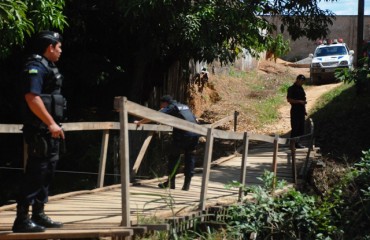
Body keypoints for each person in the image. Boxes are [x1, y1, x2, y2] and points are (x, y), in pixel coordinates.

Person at [12, 31, 66, 233]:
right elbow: (32, 98)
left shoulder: (49, 67)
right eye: (59, 47)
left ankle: (38, 214)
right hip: (40, 130)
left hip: (49, 131)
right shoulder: (34, 67)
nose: (60, 51)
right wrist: (51, 123)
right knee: (36, 172)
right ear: (50, 47)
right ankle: (21, 219)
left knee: (47, 172)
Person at [134, 95, 199, 191]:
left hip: (183, 134)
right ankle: (186, 185)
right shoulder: (184, 106)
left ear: (165, 102)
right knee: (190, 158)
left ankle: (170, 183)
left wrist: (140, 122)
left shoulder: (171, 107)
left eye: (162, 104)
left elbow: (154, 116)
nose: (162, 106)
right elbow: (195, 119)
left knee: (174, 157)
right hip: (195, 133)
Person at [287, 74, 307, 149]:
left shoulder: (301, 89)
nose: (302, 83)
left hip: (301, 110)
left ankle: (297, 143)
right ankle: (292, 145)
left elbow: (303, 99)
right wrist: (299, 102)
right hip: (295, 110)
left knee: (301, 128)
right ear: (297, 80)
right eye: (301, 81)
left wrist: (304, 109)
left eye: (303, 82)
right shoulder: (291, 89)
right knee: (295, 127)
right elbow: (289, 100)